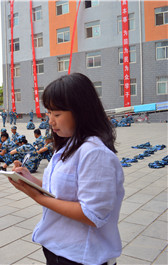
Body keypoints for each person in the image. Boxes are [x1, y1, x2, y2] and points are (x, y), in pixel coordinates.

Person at [9, 73, 124, 265]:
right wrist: (29, 179)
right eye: (48, 113)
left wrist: (38, 198)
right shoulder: (68, 145)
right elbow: (62, 191)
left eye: (57, 114)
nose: (50, 121)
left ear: (81, 112)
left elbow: (92, 214)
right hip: (58, 248)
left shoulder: (94, 153)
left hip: (83, 256)